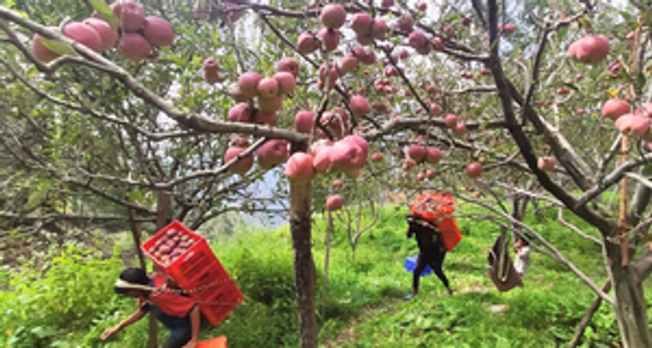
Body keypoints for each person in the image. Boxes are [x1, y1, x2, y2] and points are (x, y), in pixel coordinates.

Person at [100, 267, 200, 348]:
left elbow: (193, 307)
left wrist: (194, 340)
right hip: (175, 326)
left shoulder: (160, 295)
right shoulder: (147, 292)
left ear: (138, 287)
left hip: (185, 326)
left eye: (128, 292)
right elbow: (143, 310)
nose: (127, 296)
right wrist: (118, 327)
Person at [404, 214, 453, 300]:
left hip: (434, 252)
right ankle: (415, 292)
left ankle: (449, 288)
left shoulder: (429, 225)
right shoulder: (415, 226)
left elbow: (438, 233)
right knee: (416, 271)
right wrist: (410, 226)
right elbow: (408, 235)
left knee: (438, 271)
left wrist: (428, 227)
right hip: (423, 253)